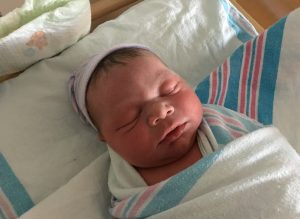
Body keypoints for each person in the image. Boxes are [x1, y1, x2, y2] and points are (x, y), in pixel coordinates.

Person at [68, 44, 262, 186]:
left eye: (170, 90)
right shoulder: (126, 189)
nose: (160, 111)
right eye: (130, 117)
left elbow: (269, 152)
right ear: (106, 138)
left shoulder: (223, 124)